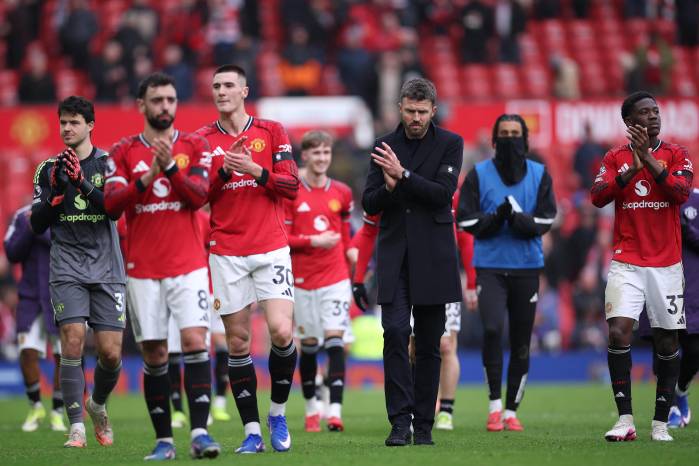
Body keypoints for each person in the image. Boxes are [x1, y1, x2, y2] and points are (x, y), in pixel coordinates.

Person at [104, 72, 220, 460]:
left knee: (195, 342)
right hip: (143, 269)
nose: (165, 106)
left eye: (170, 99)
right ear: (142, 105)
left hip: (188, 265)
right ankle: (165, 441)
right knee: (154, 353)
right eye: (157, 100)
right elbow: (111, 204)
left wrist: (170, 168)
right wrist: (149, 176)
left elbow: (199, 196)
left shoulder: (195, 145)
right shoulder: (122, 151)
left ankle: (200, 434)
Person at [195, 64, 299, 453]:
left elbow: (291, 185)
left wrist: (256, 170)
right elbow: (197, 196)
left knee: (282, 332)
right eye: (216, 86)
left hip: (271, 246)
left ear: (244, 91)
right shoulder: (201, 140)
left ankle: (277, 413)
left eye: (228, 85)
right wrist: (224, 171)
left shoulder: (271, 131)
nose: (221, 91)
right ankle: (252, 432)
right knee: (238, 342)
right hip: (227, 251)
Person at [362, 78, 463, 447]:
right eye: (410, 111)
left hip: (434, 255)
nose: (416, 118)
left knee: (430, 344)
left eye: (422, 112)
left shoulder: (451, 143)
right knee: (394, 333)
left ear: (433, 110)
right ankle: (399, 423)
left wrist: (402, 175)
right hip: (395, 255)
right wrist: (389, 189)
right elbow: (369, 202)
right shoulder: (382, 146)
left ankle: (423, 426)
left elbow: (442, 194)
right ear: (399, 108)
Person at [590, 91, 693, 442]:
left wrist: (646, 158)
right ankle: (625, 420)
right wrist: (630, 171)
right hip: (627, 261)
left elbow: (680, 193)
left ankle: (661, 423)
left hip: (667, 264)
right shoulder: (614, 157)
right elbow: (597, 196)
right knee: (618, 331)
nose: (653, 116)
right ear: (629, 121)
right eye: (645, 112)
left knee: (666, 341)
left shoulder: (676, 154)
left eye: (656, 111)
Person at [30, 96, 126, 448]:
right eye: (63, 122)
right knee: (72, 340)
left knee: (110, 353)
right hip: (67, 266)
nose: (67, 128)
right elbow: (36, 225)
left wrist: (82, 183)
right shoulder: (47, 169)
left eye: (74, 122)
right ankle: (76, 428)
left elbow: (114, 210)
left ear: (90, 125)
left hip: (107, 267)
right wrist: (55, 195)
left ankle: (97, 404)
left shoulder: (109, 163)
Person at [456, 114, 556, 432]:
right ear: (494, 140)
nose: (510, 139)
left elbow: (546, 220)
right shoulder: (478, 174)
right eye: (504, 133)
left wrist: (518, 219)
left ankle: (512, 410)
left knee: (521, 340)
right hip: (490, 268)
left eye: (515, 133)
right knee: (492, 330)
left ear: (524, 139)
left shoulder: (540, 174)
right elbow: (465, 221)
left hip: (527, 268)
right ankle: (494, 406)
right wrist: (497, 217)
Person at [284, 130, 353, 433]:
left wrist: (351, 253)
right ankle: (312, 407)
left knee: (336, 341)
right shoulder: (292, 193)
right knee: (310, 346)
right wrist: (314, 240)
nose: (322, 158)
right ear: (305, 156)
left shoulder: (342, 192)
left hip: (335, 277)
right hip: (302, 280)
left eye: (326, 152)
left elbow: (346, 232)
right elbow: (283, 238)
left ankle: (335, 411)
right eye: (316, 152)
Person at [4, 205, 66, 433]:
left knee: (63, 355)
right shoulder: (22, 216)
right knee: (27, 352)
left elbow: (67, 245)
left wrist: (40, 224)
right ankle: (35, 406)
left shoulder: (64, 211)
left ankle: (57, 411)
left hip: (61, 293)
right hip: (30, 296)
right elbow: (12, 252)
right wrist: (31, 227)